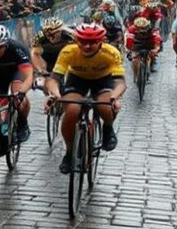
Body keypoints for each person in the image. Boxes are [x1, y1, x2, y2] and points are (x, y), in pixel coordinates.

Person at [44, 23, 126, 174]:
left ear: (101, 41)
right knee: (72, 109)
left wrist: (114, 97)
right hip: (77, 80)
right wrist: (54, 94)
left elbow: (120, 82)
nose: (87, 46)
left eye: (93, 43)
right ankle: (69, 153)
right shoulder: (68, 51)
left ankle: (108, 127)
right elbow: (53, 79)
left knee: (105, 107)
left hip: (103, 80)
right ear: (76, 40)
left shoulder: (111, 52)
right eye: (83, 42)